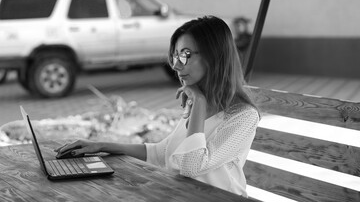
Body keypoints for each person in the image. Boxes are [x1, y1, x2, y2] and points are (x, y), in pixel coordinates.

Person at [55, 16, 260, 197]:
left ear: (215, 56)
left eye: (186, 55)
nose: (176, 65)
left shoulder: (242, 116)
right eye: (175, 55)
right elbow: (161, 153)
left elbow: (192, 165)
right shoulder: (198, 102)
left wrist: (198, 102)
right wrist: (100, 146)